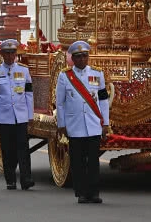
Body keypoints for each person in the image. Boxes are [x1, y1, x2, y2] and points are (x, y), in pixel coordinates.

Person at [56, 41, 110, 205]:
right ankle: (81, 192)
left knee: (93, 161)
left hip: (93, 124)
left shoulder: (97, 74)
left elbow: (103, 100)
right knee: (78, 161)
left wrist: (105, 123)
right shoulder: (65, 76)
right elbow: (60, 103)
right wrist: (62, 124)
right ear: (73, 58)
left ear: (88, 57)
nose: (81, 60)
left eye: (84, 56)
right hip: (75, 125)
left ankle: (94, 192)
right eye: (78, 57)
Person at [0, 39, 34, 191]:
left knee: (23, 148)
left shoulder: (24, 70)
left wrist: (30, 116)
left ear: (16, 54)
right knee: (8, 150)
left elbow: (28, 94)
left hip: (20, 116)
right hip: (4, 117)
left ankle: (26, 178)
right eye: (6, 53)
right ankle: (10, 179)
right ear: (1, 54)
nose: (9, 57)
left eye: (12, 53)